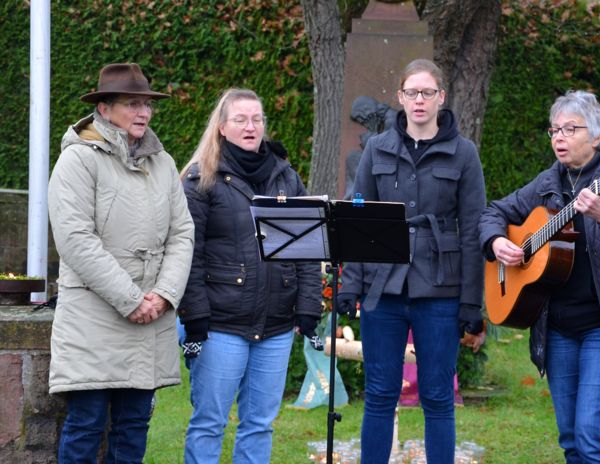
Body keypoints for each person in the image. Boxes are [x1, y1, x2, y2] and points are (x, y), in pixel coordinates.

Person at [479, 90, 600, 463]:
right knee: (570, 439)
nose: (559, 137)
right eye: (554, 130)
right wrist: (497, 241)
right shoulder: (548, 182)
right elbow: (494, 211)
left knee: (592, 436)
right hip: (558, 329)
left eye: (570, 129)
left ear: (597, 137)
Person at [337, 58, 487, 463]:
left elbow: (474, 229)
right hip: (383, 288)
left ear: (441, 97)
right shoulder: (376, 148)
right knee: (381, 394)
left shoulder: (464, 153)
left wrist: (473, 303)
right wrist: (350, 282)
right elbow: (358, 217)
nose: (419, 101)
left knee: (438, 396)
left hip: (440, 289)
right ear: (400, 97)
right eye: (411, 93)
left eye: (427, 92)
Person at [47, 62, 194, 463]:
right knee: (86, 425)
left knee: (133, 428)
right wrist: (133, 300)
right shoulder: (77, 161)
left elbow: (182, 234)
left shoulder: (161, 163)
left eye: (147, 104)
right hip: (94, 318)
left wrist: (163, 295)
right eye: (133, 104)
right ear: (105, 109)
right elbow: (76, 241)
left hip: (149, 317)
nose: (143, 112)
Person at [178, 88, 322, 464]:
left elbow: (307, 250)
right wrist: (195, 317)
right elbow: (187, 256)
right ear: (222, 127)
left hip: (275, 325)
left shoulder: (285, 177)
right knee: (210, 422)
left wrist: (308, 308)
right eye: (240, 119)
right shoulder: (200, 180)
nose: (250, 126)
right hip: (219, 324)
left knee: (259, 423)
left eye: (257, 119)